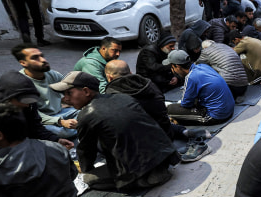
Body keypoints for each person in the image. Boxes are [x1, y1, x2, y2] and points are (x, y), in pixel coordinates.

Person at [50, 71, 179, 190]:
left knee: (89, 179)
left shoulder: (86, 115)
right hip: (165, 156)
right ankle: (154, 171)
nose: (65, 99)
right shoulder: (123, 97)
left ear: (86, 91)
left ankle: (142, 179)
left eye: (69, 93)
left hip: (139, 169)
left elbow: (86, 150)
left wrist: (86, 171)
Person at [0, 71, 74, 150]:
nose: (27, 105)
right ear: (9, 98)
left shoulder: (29, 104)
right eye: (23, 101)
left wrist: (57, 140)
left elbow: (36, 128)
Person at [104, 59, 184, 139]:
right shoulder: (148, 84)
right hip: (164, 133)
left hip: (140, 142)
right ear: (131, 73)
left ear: (109, 77)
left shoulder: (111, 96)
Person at [12, 43, 77, 138]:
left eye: (42, 56)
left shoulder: (51, 74)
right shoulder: (22, 83)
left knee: (88, 112)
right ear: (23, 63)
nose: (43, 60)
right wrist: (60, 121)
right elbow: (32, 114)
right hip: (42, 120)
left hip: (61, 112)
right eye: (35, 58)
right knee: (64, 133)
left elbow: (69, 89)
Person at [164, 50, 235, 125]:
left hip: (216, 116)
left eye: (172, 67)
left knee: (169, 110)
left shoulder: (191, 77)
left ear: (177, 66)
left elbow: (186, 104)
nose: (173, 70)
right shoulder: (203, 66)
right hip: (229, 110)